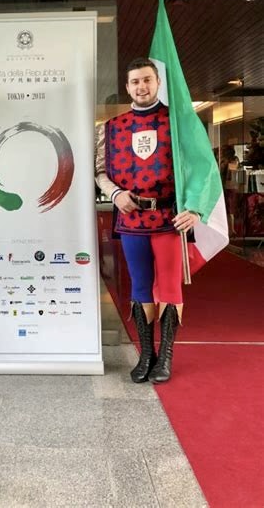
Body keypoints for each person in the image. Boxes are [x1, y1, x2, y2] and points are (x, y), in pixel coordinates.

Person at [95, 58, 200, 384]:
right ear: (128, 87)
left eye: (147, 80)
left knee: (169, 286)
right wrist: (115, 194)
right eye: (135, 82)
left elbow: (198, 169)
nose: (141, 87)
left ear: (157, 83)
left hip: (169, 217)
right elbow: (99, 172)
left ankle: (165, 355)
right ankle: (146, 354)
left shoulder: (178, 122)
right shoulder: (111, 128)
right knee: (140, 285)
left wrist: (195, 208)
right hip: (131, 218)